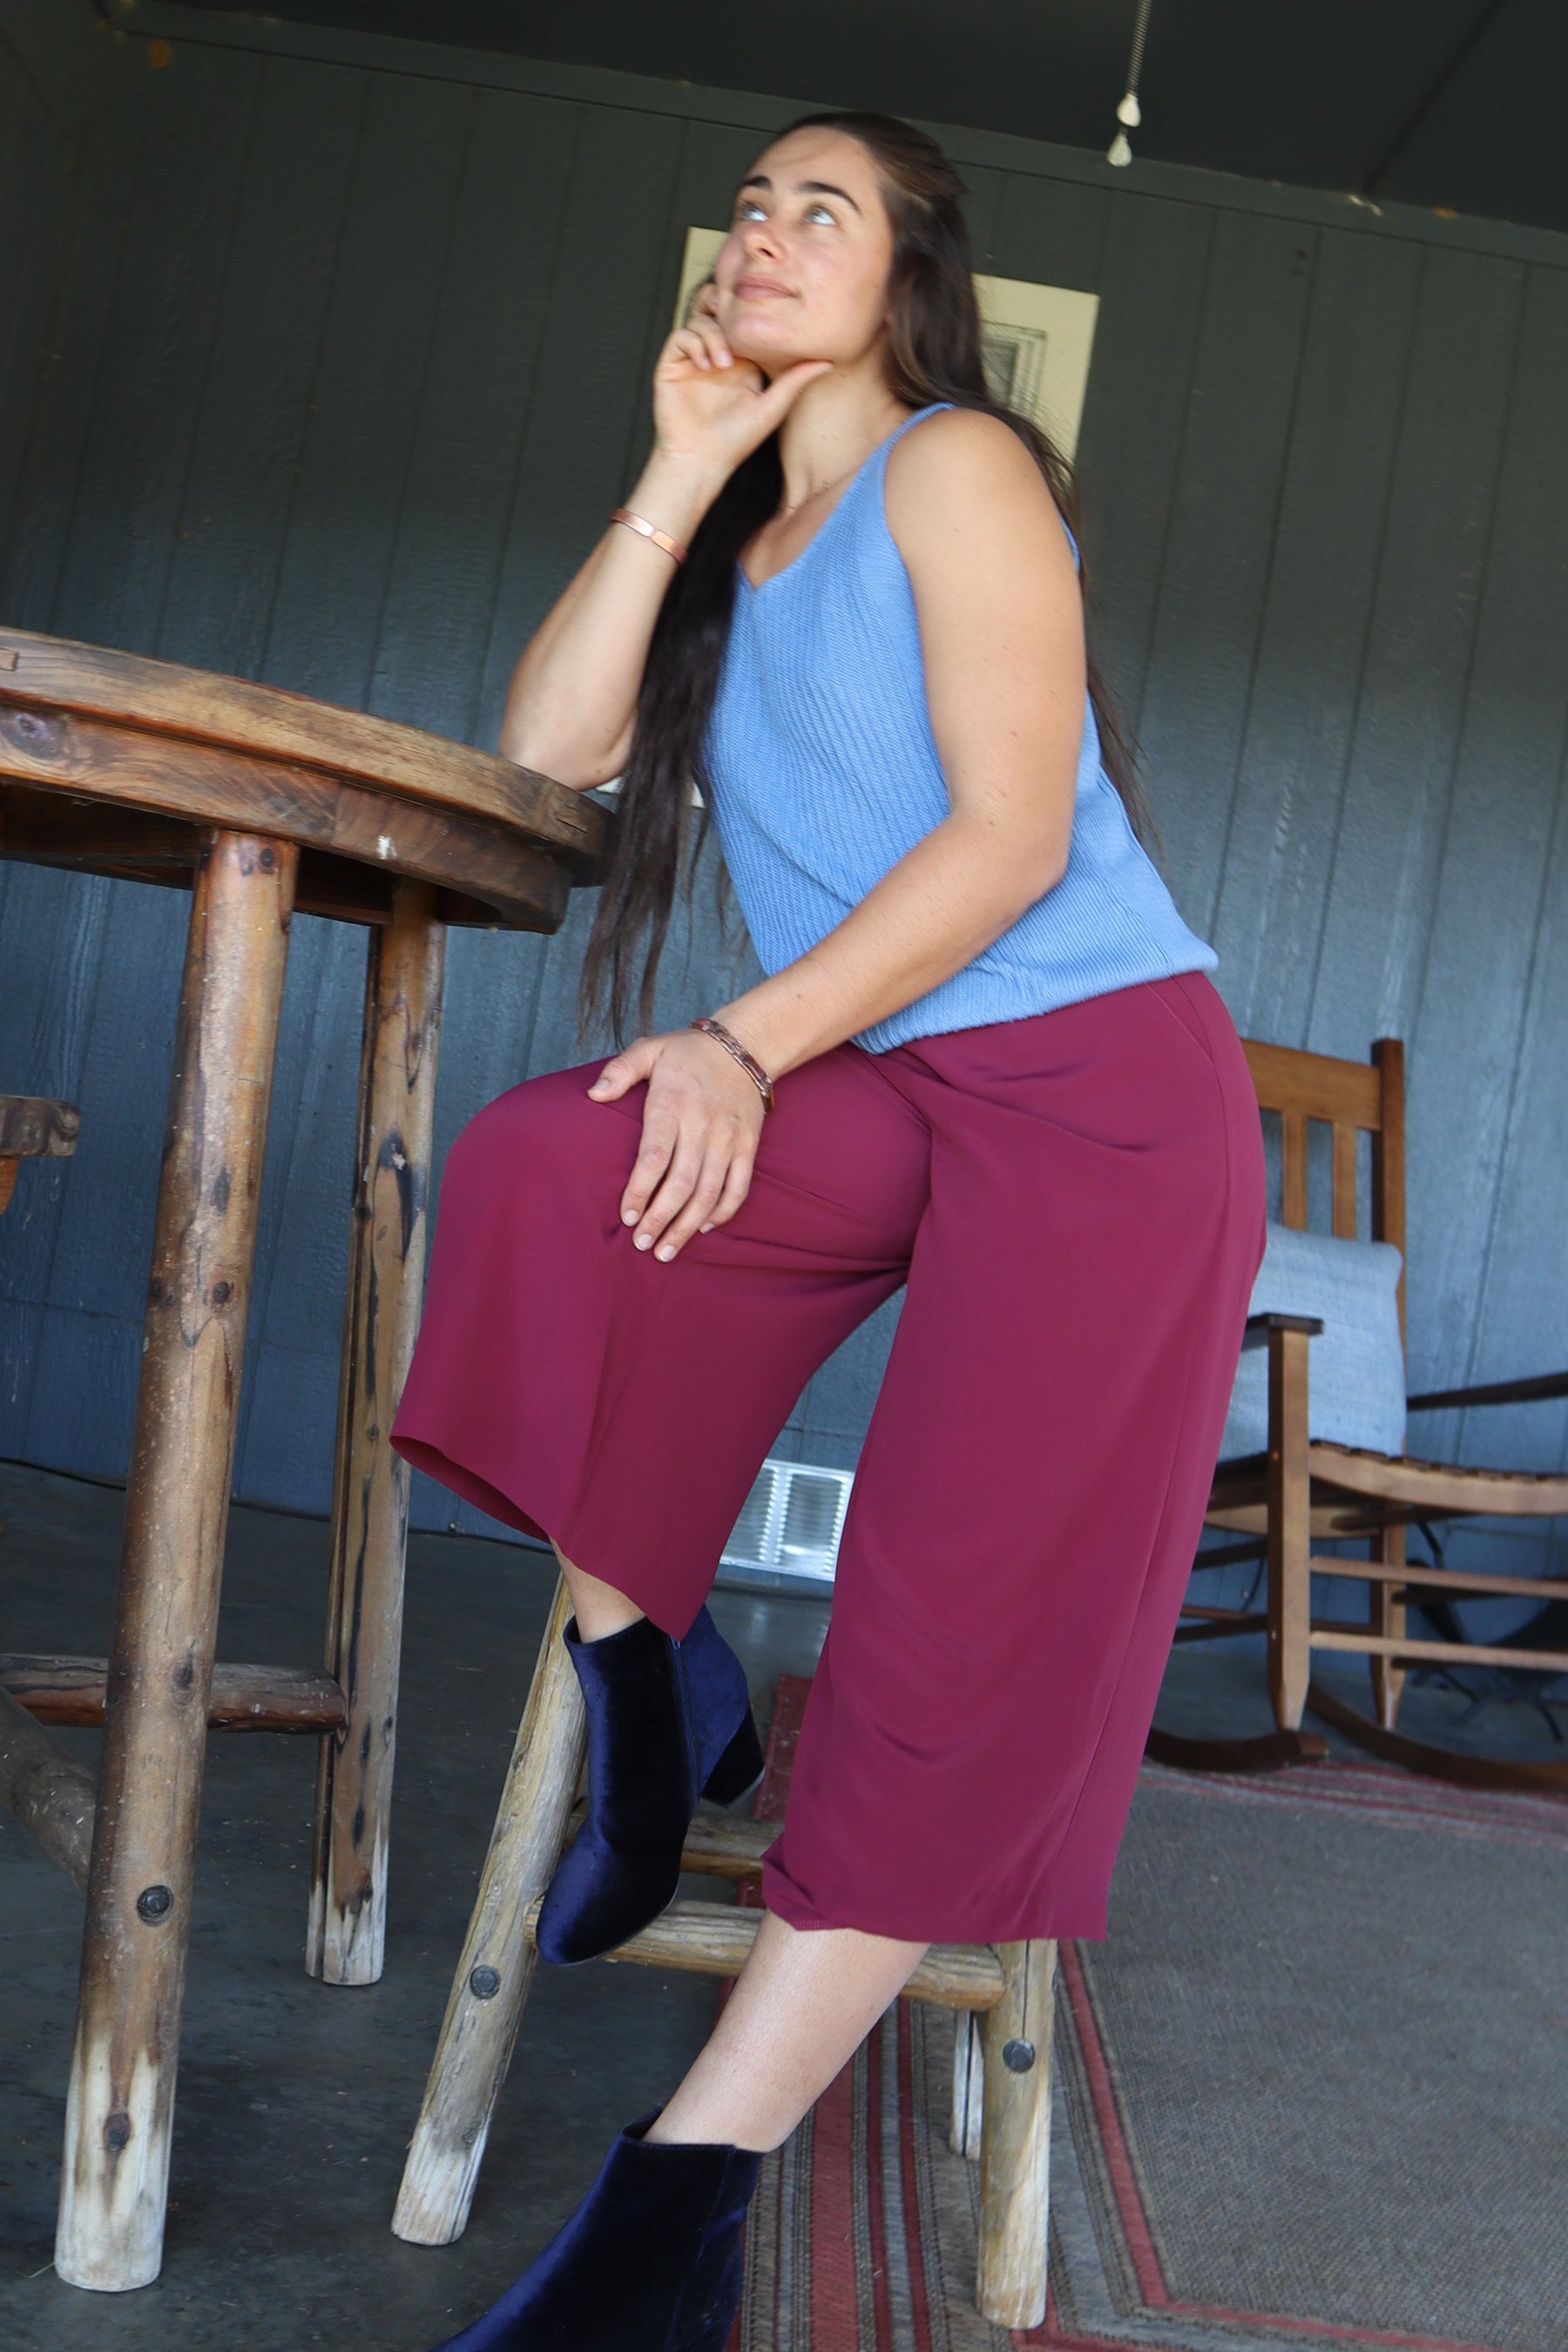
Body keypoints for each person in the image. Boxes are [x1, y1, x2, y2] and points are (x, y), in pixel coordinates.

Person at [390, 108, 1266, 2352]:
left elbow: (1000, 843)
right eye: (750, 207)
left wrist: (741, 1042)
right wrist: (683, 467)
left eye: (826, 210)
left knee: (949, 1624)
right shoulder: (747, 543)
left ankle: (677, 2211)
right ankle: (642, 1666)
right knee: (548, 1176)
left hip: (1098, 1109)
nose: (769, 234)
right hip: (896, 1084)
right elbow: (551, 751)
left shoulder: (964, 466)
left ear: (913, 277)